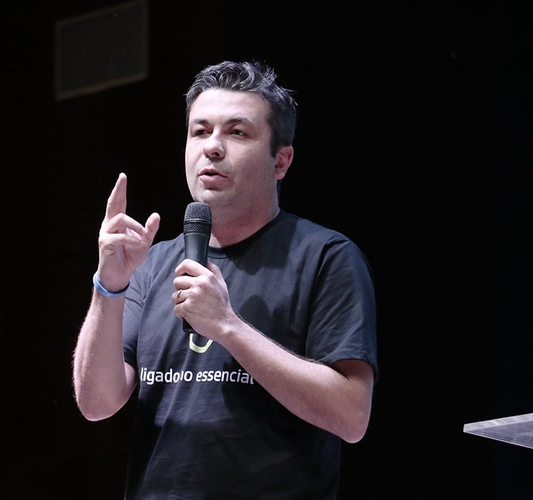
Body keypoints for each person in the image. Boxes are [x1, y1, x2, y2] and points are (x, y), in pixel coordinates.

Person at [72, 59, 378, 499]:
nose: (212, 147)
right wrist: (109, 285)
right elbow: (96, 404)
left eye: (237, 132)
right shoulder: (151, 264)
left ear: (282, 161)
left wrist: (227, 326)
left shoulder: (326, 257)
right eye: (200, 131)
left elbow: (352, 417)